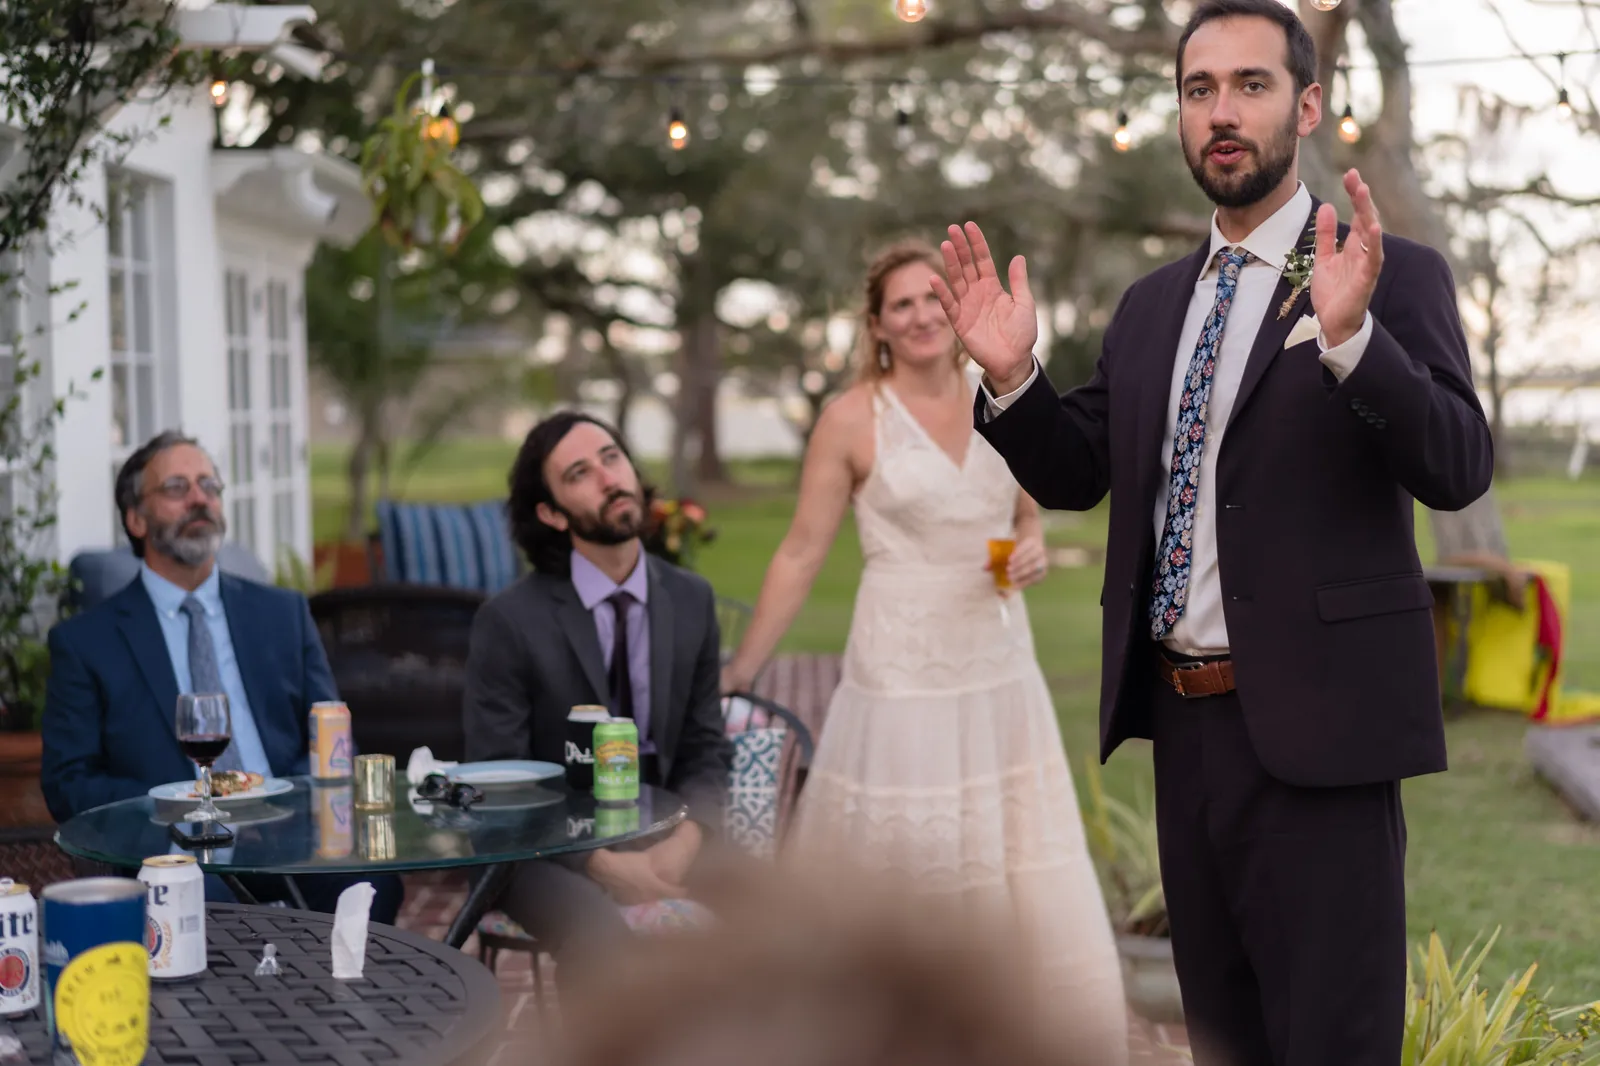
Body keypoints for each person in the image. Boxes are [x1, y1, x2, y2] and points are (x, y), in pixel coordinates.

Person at [935, 2, 1495, 1063]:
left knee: (1330, 1040)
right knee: (1222, 1040)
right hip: (1183, 734)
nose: (1221, 113)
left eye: (1250, 85)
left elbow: (1457, 461)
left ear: (1310, 103)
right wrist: (1011, 379)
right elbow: (1079, 470)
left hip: (1322, 739)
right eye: (1199, 91)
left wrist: (1353, 339)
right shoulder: (1151, 306)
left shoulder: (1390, 271)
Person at [720, 238, 1129, 1062]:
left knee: (1020, 862)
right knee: (913, 859)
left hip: (997, 663)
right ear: (876, 325)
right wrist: (739, 672)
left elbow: (1025, 511)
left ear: (953, 309)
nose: (917, 317)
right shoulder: (851, 420)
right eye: (898, 305)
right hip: (899, 670)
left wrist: (1030, 543)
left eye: (929, 300)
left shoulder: (1002, 400)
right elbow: (801, 552)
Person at [40, 430, 404, 923]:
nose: (199, 498)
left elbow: (332, 737)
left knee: (375, 881)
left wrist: (292, 803)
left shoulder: (282, 613)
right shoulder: (88, 642)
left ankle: (346, 1001)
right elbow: (68, 784)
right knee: (215, 904)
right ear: (136, 518)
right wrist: (172, 804)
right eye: (176, 487)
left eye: (209, 486)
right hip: (175, 848)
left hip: (288, 831)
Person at [462, 412, 733, 980]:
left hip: (664, 828)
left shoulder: (691, 600)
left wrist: (684, 844)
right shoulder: (509, 621)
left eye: (612, 458)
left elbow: (706, 749)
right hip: (537, 851)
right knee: (598, 933)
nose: (609, 479)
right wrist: (600, 864)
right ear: (551, 513)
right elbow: (497, 780)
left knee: (781, 904)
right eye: (579, 473)